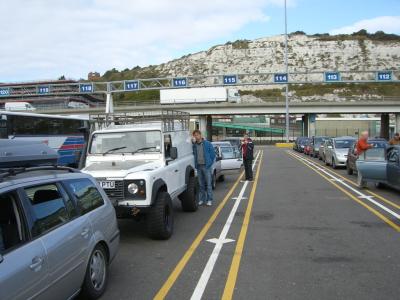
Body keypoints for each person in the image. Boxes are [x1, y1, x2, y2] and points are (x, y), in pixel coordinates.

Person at [192, 130, 216, 206]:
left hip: (206, 166)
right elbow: (194, 155)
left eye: (197, 135)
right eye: (195, 135)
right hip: (199, 167)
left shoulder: (207, 144)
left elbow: (213, 154)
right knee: (201, 184)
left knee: (208, 184)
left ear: (200, 135)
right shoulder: (194, 145)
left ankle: (209, 200)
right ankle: (202, 199)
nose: (196, 137)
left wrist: (209, 163)